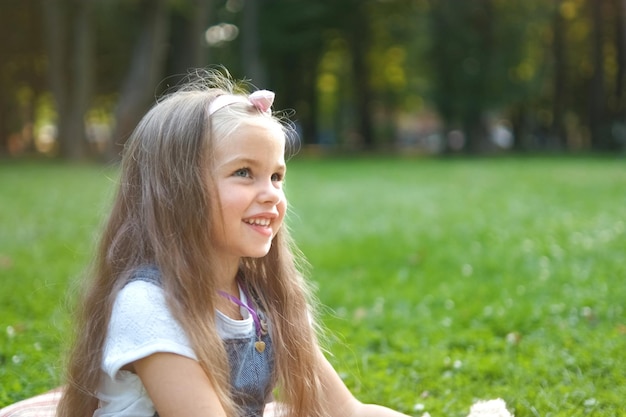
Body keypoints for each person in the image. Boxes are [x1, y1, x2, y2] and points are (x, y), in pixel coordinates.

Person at [56, 69, 412, 417]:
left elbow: (347, 411)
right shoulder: (149, 304)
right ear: (177, 190)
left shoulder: (265, 298)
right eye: (244, 173)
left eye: (276, 176)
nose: (271, 193)